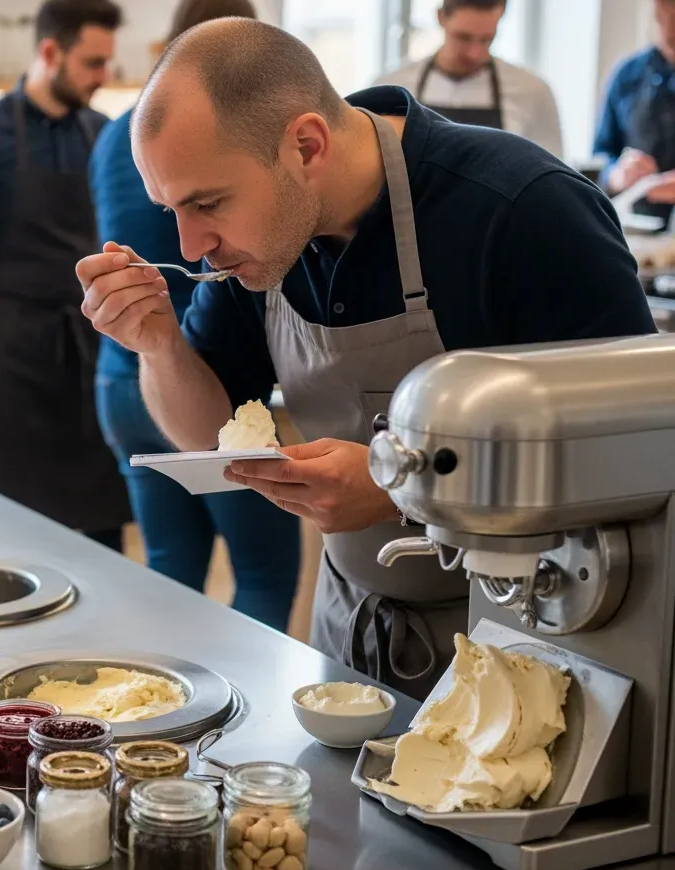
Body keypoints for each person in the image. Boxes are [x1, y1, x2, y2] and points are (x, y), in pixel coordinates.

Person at [77, 19, 655, 698]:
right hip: (349, 636)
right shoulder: (257, 250)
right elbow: (208, 436)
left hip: (525, 649)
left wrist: (401, 492)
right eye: (172, 208)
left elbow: (637, 462)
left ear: (306, 146)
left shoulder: (525, 211)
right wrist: (159, 344)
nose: (192, 242)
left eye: (208, 202)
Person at [89, 0, 299, 631]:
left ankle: (166, 712)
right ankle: (233, 717)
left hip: (120, 382)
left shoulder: (114, 135)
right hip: (204, 379)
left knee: (168, 570)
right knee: (263, 572)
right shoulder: (222, 140)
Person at [0, 0, 131, 550]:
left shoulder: (105, 134)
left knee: (101, 532)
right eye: (92, 63)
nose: (103, 78)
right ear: (49, 51)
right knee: (0, 528)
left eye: (107, 63)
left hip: (89, 353)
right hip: (7, 357)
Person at [376, 0, 562, 157]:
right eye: (463, 38)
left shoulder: (532, 92)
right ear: (440, 17)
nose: (475, 53)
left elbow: (553, 180)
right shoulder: (392, 88)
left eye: (486, 39)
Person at [595, 0, 675, 226]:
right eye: (663, 16)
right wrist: (616, 173)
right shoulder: (626, 75)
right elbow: (600, 154)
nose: (670, 29)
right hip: (632, 227)